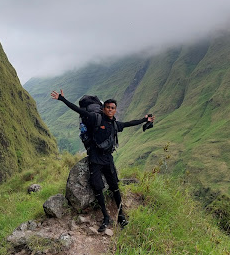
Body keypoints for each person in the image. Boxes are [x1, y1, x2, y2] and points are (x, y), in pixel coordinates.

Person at [51, 89, 155, 232]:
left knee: (115, 187)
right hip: (95, 157)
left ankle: (121, 216)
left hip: (107, 158)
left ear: (115, 110)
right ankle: (106, 217)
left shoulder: (115, 124)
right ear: (103, 108)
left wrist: (145, 120)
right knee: (98, 188)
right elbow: (77, 110)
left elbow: (130, 123)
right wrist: (62, 99)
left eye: (113, 108)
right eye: (108, 107)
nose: (110, 110)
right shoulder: (95, 118)